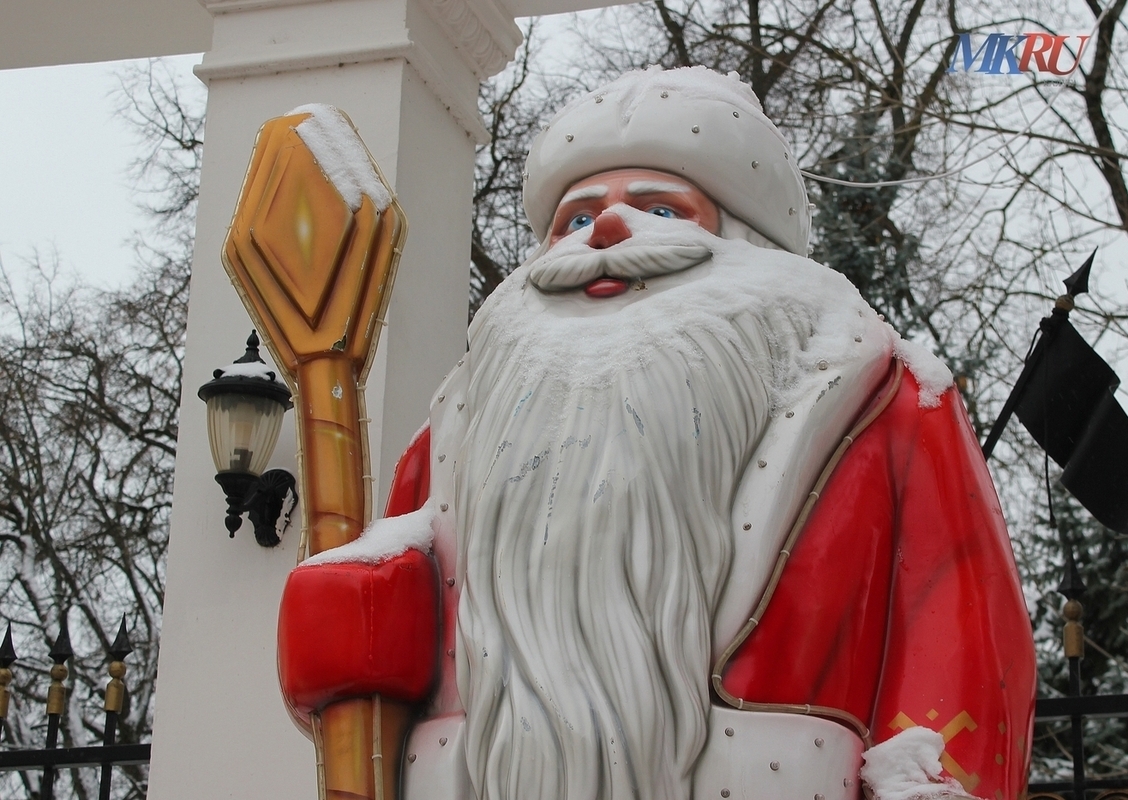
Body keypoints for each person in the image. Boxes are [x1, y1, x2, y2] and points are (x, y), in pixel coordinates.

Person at [277, 66, 1036, 800]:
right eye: (576, 218)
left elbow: (956, 618)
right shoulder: (458, 428)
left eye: (662, 209)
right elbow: (388, 662)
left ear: (744, 243)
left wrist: (929, 785)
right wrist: (345, 634)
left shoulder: (885, 396)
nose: (607, 228)